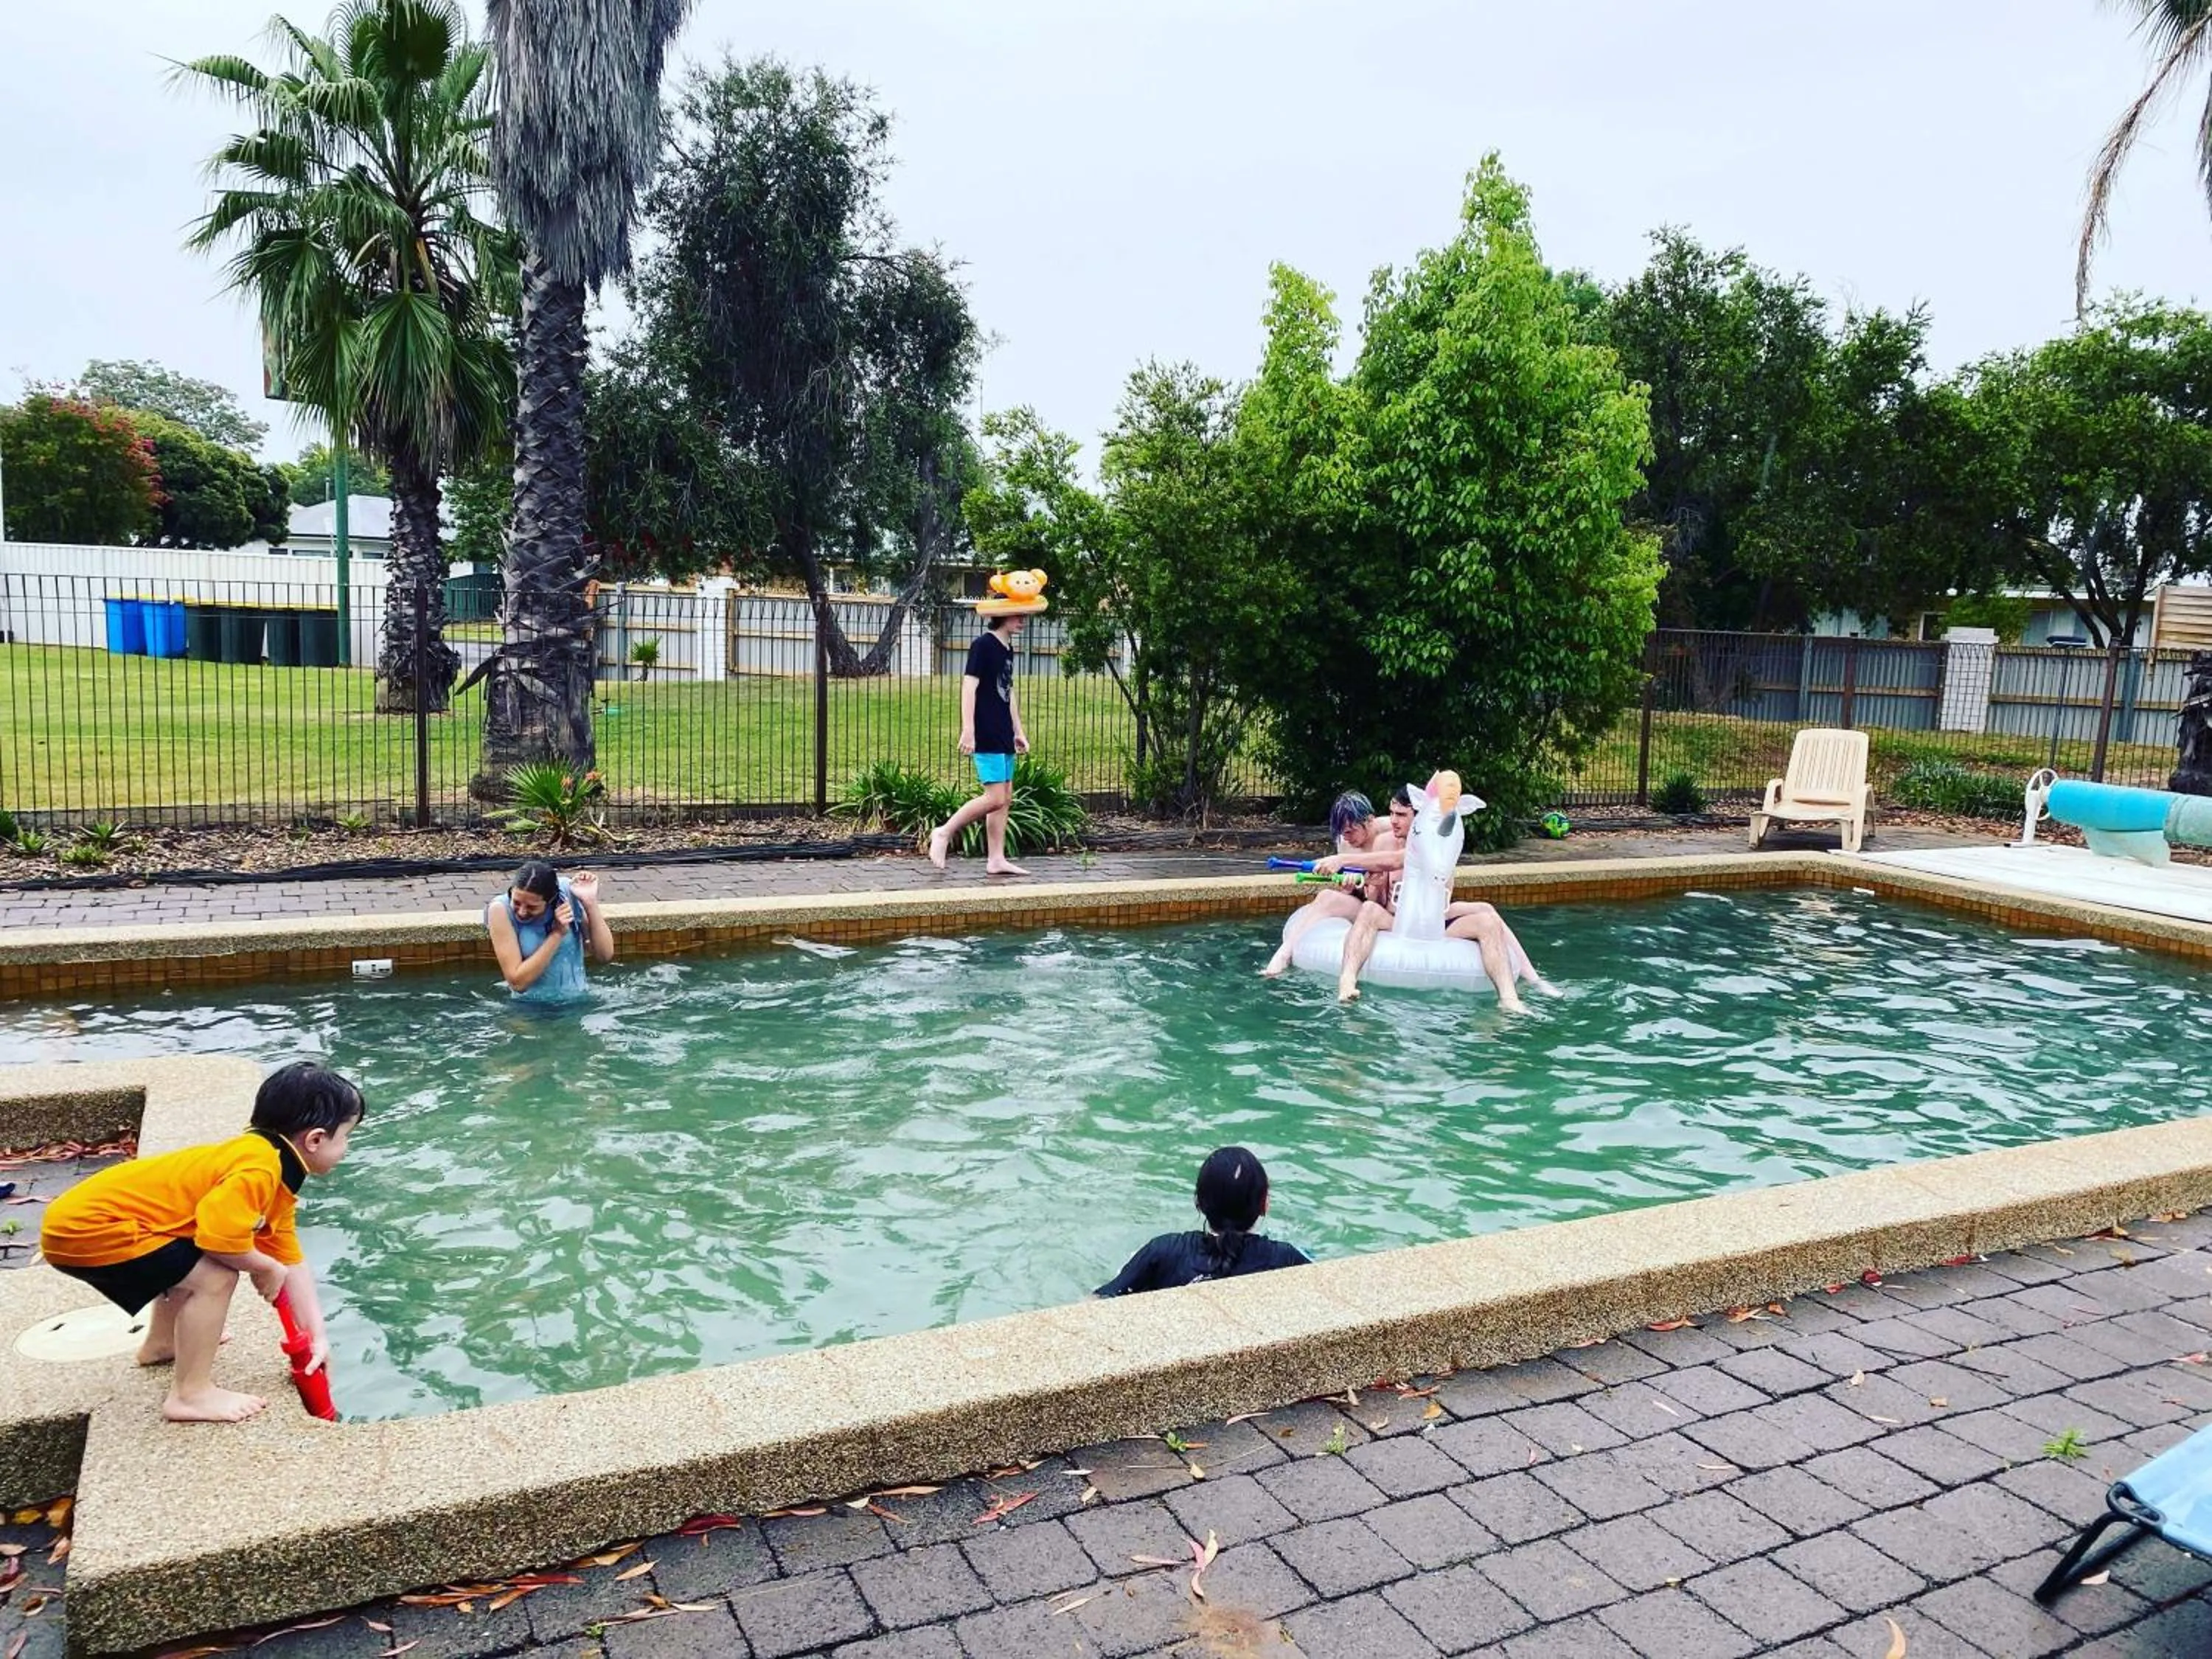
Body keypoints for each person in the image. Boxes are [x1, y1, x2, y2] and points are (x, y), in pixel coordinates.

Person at [38, 1061, 363, 1424]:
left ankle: (163, 1344)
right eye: (346, 1136)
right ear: (316, 1139)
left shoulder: (268, 1164)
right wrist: (263, 1266)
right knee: (214, 1278)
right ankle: (191, 1395)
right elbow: (219, 1241)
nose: (346, 1147)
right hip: (87, 1229)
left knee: (189, 1263)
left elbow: (290, 1260)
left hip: (81, 1221)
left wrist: (317, 1336)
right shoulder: (258, 1170)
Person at [930, 571, 1047, 877]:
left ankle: (996, 859)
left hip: (1002, 731)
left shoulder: (1007, 648)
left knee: (1005, 798)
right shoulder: (983, 645)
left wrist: (1018, 730)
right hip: (985, 729)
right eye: (1019, 614)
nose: (1023, 619)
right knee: (994, 797)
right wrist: (968, 729)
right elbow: (969, 686)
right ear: (1002, 614)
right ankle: (944, 832)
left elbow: (1008, 692)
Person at [1096, 1147, 1311, 1296]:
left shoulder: (1163, 1251)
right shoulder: (1286, 1258)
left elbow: (1097, 1302)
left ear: (1198, 1203)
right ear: (1264, 1204)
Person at [1260, 790, 1413, 978]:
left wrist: (1350, 868)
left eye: (1350, 832)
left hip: (1389, 905)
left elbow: (1395, 866)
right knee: (1327, 896)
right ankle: (1284, 952)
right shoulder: (1345, 842)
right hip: (1366, 900)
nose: (1346, 838)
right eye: (1342, 833)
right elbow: (1352, 890)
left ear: (1369, 820)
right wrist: (1350, 887)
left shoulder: (1392, 831)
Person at [486, 860, 615, 1003]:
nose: (522, 912)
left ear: (550, 901)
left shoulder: (566, 895)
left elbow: (605, 955)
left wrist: (590, 903)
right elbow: (518, 983)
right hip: (528, 1009)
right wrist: (557, 934)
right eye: (516, 902)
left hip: (577, 1004)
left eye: (531, 907)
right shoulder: (500, 910)